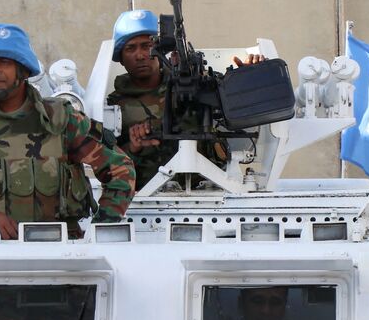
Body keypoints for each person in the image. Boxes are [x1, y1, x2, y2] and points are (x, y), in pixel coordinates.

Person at [0, 24, 136, 239]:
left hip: (63, 252)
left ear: (23, 69)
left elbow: (120, 170)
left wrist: (99, 231)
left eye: (4, 61)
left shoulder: (61, 119)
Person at [107, 10, 266, 191]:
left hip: (210, 191)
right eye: (130, 48)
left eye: (146, 46)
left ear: (161, 49)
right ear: (120, 57)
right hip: (146, 196)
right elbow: (105, 165)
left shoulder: (198, 83)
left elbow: (241, 103)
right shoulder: (113, 106)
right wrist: (133, 147)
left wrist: (250, 76)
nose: (140, 55)